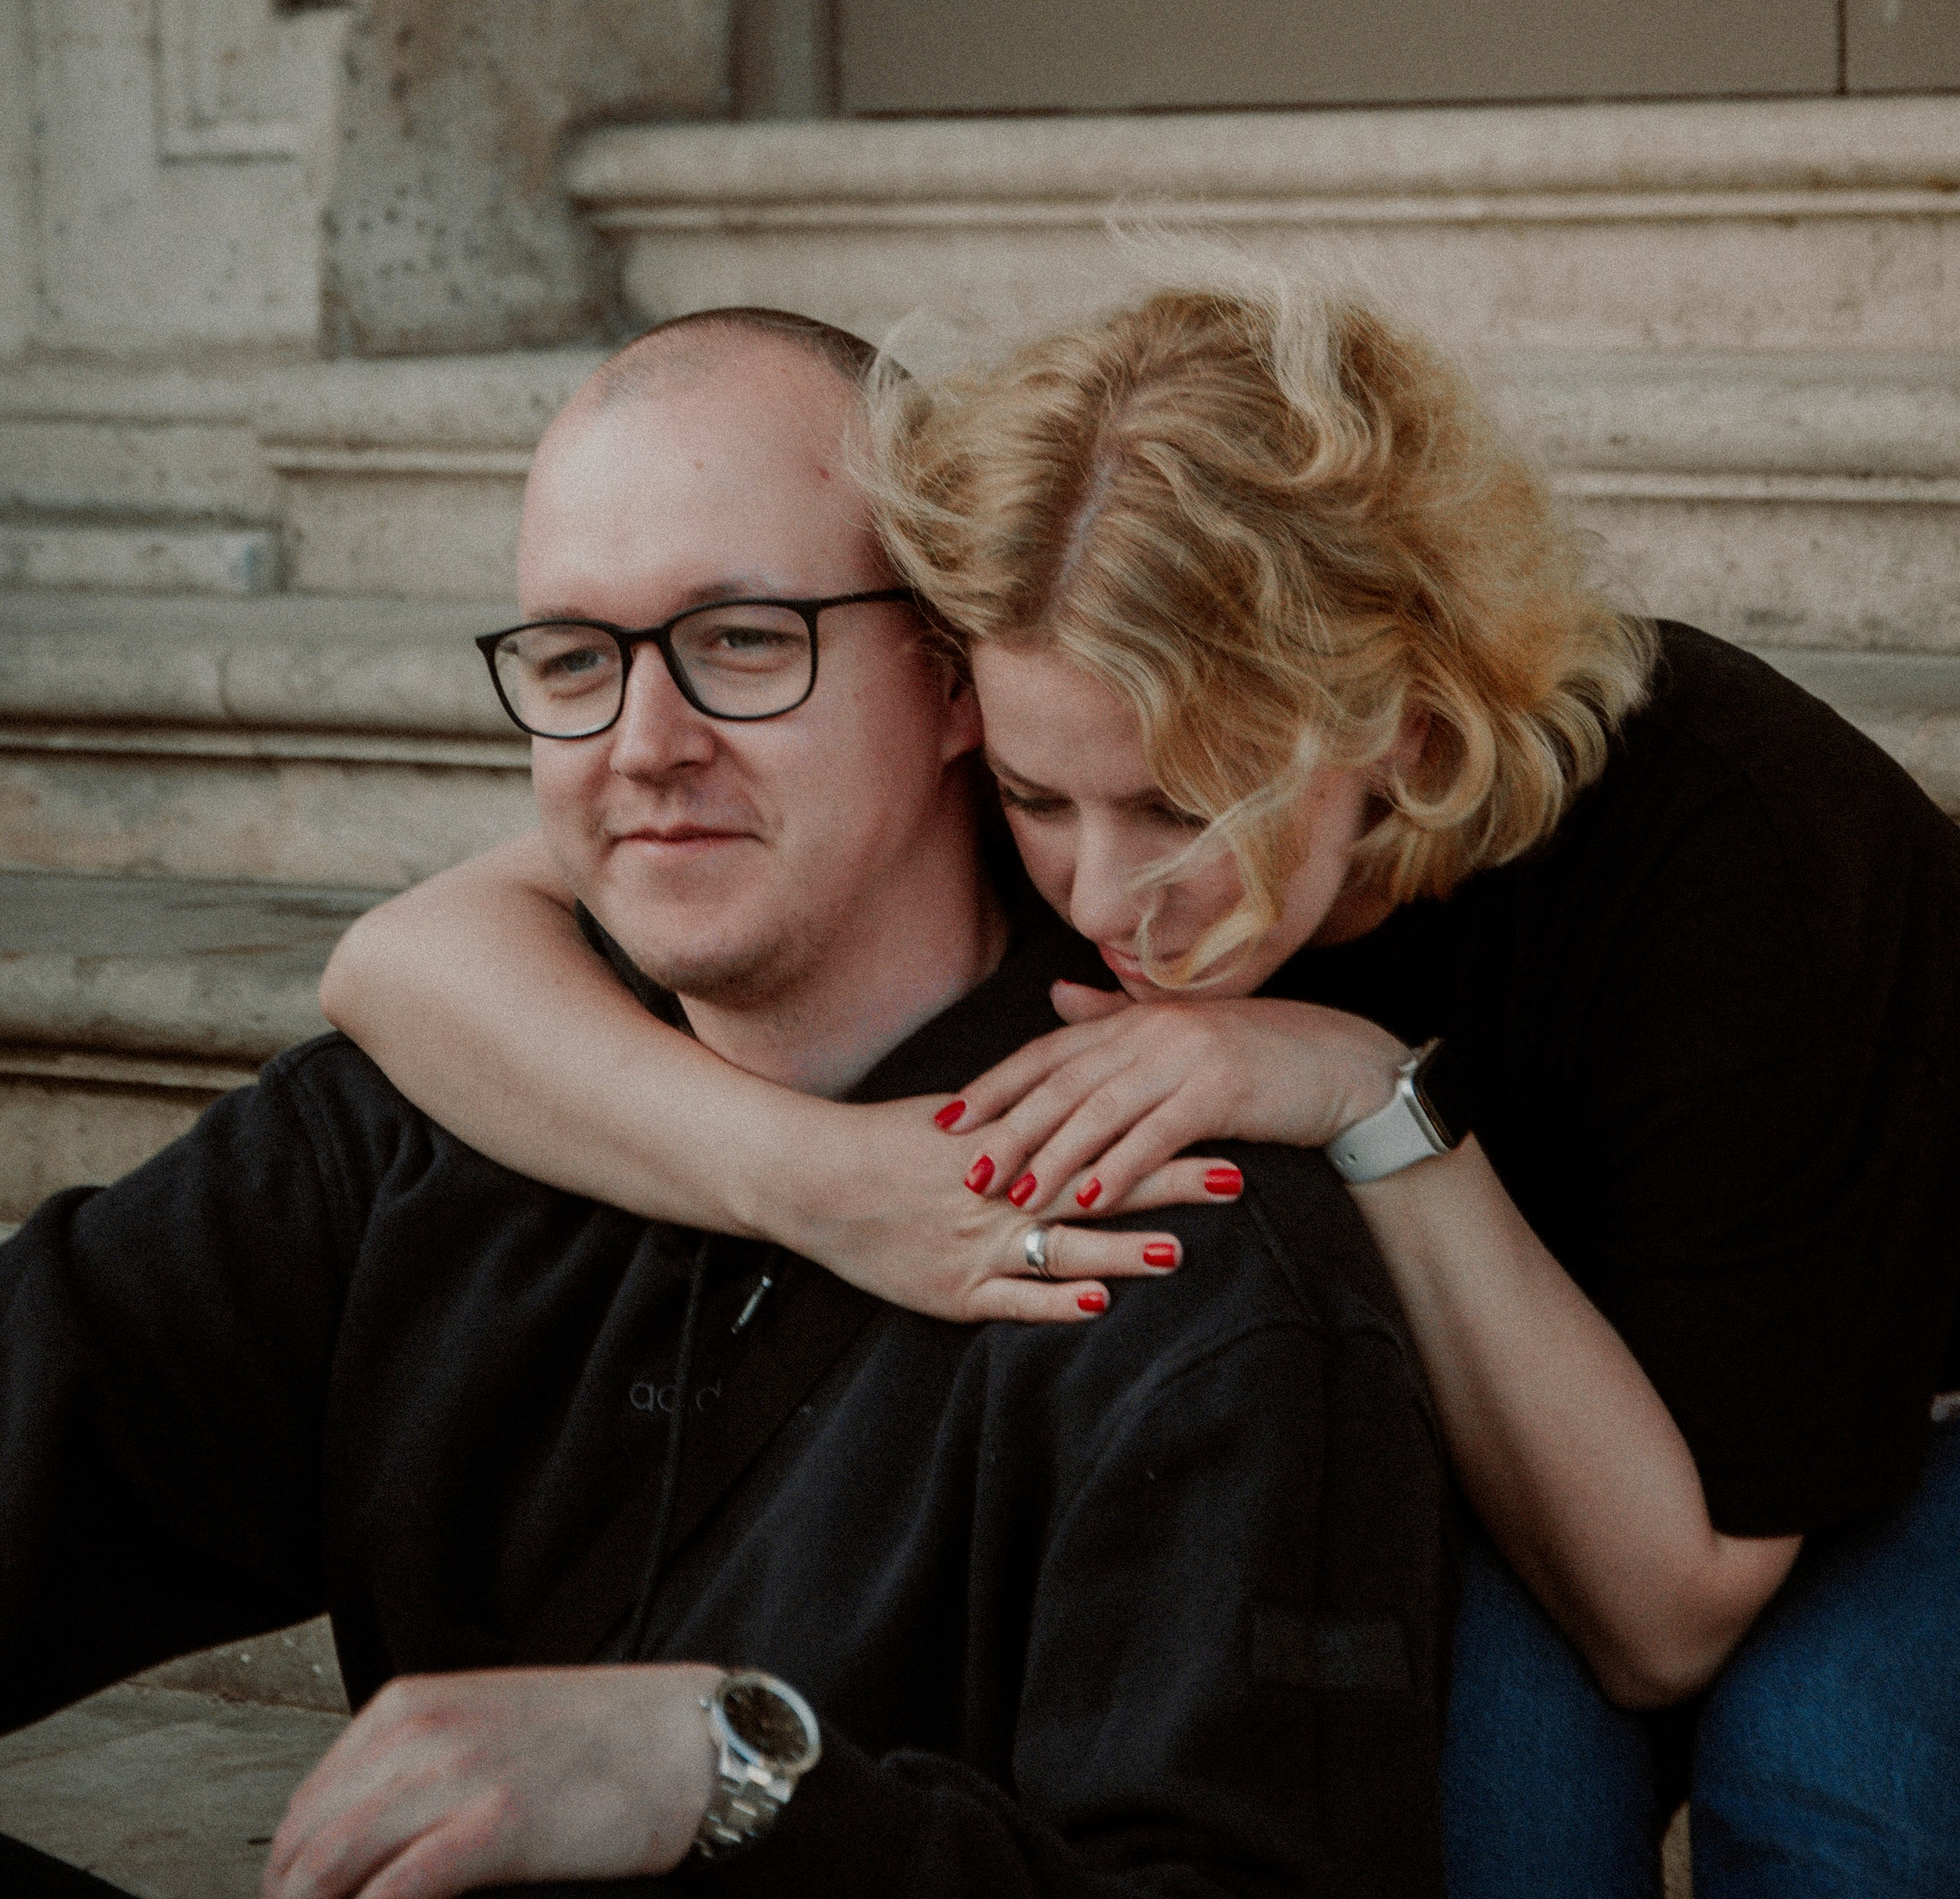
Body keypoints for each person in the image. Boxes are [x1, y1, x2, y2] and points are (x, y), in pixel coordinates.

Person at [325, 283, 1960, 1899]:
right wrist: (814, 1176)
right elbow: (404, 962)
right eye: (1040, 796)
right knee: (1482, 1834)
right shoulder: (1074, 717)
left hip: (1865, 1415)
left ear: (1391, 719)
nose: (1107, 894)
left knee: (1834, 1812)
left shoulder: (1734, 853)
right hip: (1487, 1407)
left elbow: (1666, 1608)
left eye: (1188, 801)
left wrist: (1353, 1090)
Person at [0, 306, 1453, 1899]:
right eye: (571, 657)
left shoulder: (1185, 1254)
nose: (642, 743)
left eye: (744, 640)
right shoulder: (399, 1140)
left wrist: (735, 1773)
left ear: (958, 675)